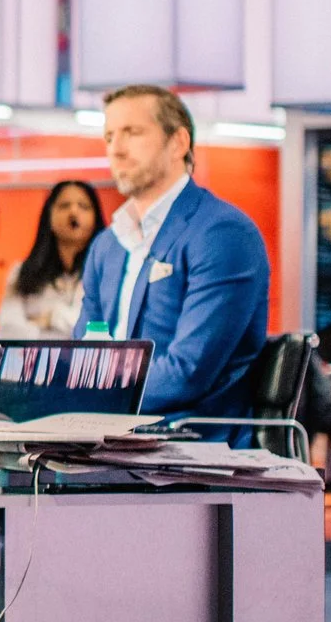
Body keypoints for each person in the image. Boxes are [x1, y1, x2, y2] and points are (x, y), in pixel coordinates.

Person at [77, 85, 270, 420]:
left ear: (178, 143)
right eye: (109, 137)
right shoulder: (107, 245)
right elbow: (81, 358)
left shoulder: (222, 234)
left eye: (132, 133)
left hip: (189, 448)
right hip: (105, 442)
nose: (116, 150)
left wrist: (93, 398)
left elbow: (187, 373)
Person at [0, 180, 103, 338]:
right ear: (49, 216)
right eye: (64, 205)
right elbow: (8, 329)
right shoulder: (23, 272)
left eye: (83, 206)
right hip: (36, 361)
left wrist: (51, 318)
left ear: (96, 217)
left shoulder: (105, 272)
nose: (73, 212)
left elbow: (98, 328)